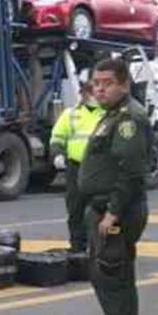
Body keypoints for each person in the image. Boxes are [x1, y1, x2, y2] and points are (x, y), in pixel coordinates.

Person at [76, 58, 150, 315]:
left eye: (107, 83)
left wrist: (112, 213)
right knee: (110, 276)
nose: (100, 89)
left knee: (113, 279)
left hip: (116, 211)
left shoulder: (129, 118)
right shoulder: (112, 115)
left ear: (124, 84)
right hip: (102, 208)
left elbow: (130, 172)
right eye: (96, 83)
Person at [49, 79, 104, 252]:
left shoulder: (108, 114)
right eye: (89, 92)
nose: (92, 96)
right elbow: (57, 137)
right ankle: (78, 248)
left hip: (100, 168)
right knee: (75, 209)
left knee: (98, 209)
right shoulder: (70, 114)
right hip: (76, 167)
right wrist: (57, 154)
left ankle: (99, 247)